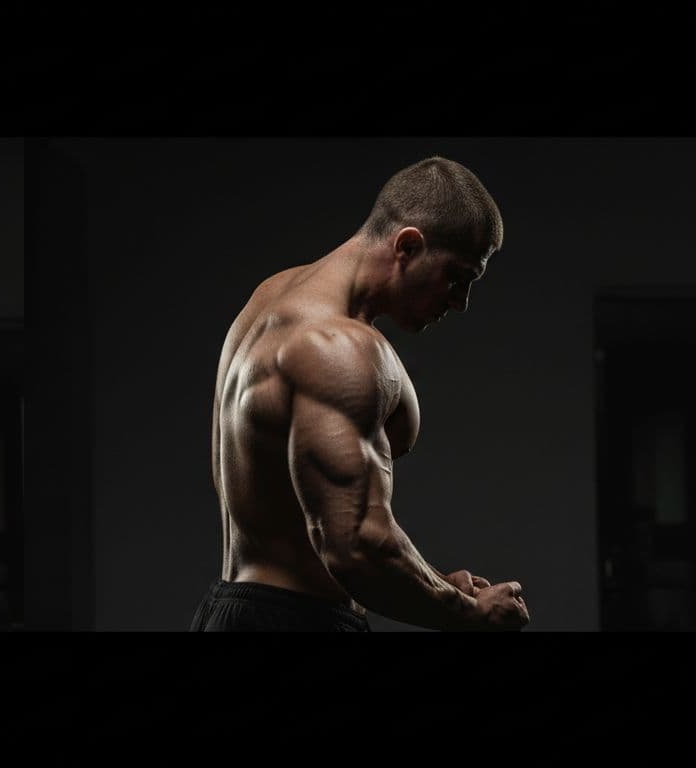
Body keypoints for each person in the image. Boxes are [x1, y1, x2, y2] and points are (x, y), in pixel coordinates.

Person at [193, 157, 529, 631]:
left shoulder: (272, 297)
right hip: (295, 622)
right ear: (407, 245)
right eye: (456, 278)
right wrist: (471, 614)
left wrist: (434, 583)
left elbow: (296, 521)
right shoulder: (339, 348)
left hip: (234, 610)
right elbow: (356, 547)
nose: (461, 302)